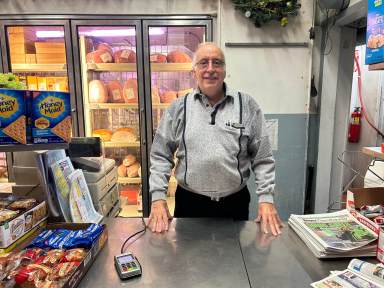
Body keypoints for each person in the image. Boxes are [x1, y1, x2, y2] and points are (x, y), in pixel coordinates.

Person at [148, 42, 283, 235]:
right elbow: (161, 155)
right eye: (204, 63)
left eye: (217, 63)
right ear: (194, 71)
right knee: (188, 262)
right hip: (189, 204)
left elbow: (263, 158)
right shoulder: (179, 108)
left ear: (224, 70)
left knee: (234, 261)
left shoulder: (247, 105)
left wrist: (266, 198)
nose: (210, 69)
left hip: (234, 204)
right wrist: (158, 198)